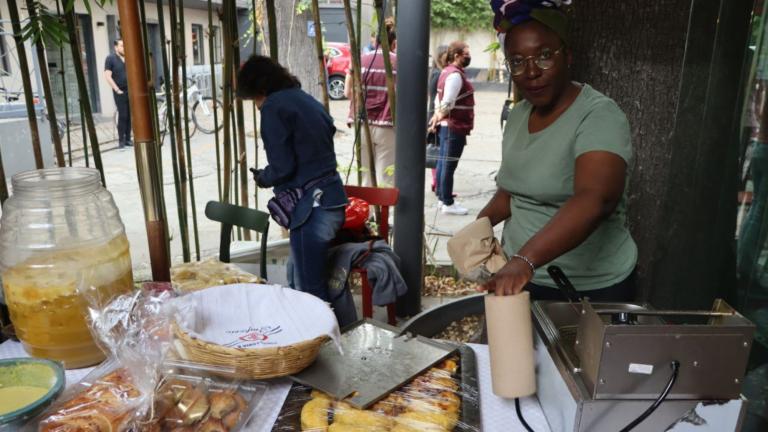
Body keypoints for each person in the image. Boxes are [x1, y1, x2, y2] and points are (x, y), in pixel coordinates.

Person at [477, 0, 637, 299]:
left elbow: (595, 198)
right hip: (519, 276)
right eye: (517, 61)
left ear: (568, 56)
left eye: (545, 56)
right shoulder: (518, 115)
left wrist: (525, 260)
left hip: (587, 287)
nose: (532, 71)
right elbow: (511, 193)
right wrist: (476, 232)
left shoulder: (599, 115)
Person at [236, 56, 348, 321]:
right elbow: (328, 131)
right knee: (296, 278)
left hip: (311, 210)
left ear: (258, 89)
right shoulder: (303, 98)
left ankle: (323, 348)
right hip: (332, 199)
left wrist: (264, 178)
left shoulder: (274, 107)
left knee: (310, 291)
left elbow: (282, 166)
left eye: (253, 98)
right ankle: (315, 340)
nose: (256, 105)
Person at [344, 18, 397, 187]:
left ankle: (366, 213)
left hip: (361, 123)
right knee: (386, 177)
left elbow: (347, 92)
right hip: (387, 125)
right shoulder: (399, 63)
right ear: (393, 42)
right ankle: (382, 213)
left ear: (375, 41)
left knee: (365, 177)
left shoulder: (360, 60)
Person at [430, 41, 474, 215]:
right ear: (456, 56)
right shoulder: (455, 75)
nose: (468, 56)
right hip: (454, 126)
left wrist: (436, 117)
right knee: (448, 165)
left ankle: (443, 199)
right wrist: (438, 117)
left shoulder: (446, 72)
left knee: (443, 163)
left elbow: (438, 101)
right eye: (466, 53)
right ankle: (447, 202)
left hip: (448, 125)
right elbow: (447, 102)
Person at [104, 39, 132, 149]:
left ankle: (128, 139)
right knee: (123, 115)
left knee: (129, 115)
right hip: (119, 91)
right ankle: (121, 140)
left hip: (130, 90)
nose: (124, 48)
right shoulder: (110, 58)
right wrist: (117, 90)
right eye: (122, 46)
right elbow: (107, 76)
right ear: (116, 47)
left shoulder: (128, 58)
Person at [428, 47, 448, 192]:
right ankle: (438, 183)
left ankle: (437, 182)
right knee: (438, 150)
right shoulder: (439, 74)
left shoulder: (434, 73)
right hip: (436, 115)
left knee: (437, 149)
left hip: (434, 114)